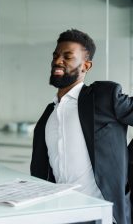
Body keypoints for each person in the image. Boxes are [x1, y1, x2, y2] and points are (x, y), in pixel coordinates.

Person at [30, 29, 132, 224]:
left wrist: (128, 160)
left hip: (102, 215)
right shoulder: (49, 114)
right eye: (56, 55)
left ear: (86, 65)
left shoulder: (103, 97)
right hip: (62, 214)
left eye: (67, 56)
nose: (58, 61)